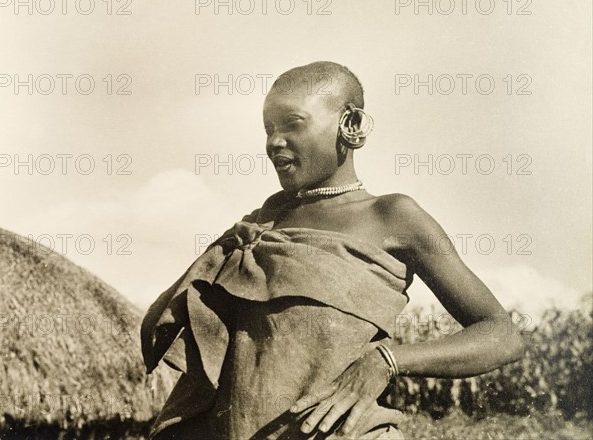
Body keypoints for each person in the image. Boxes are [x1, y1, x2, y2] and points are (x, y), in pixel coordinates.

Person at [140, 61, 524, 439]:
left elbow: (502, 334)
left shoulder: (392, 216)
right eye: (268, 129)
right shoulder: (260, 224)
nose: (275, 141)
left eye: (293, 123)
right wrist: (225, 255)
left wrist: (387, 361)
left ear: (351, 125)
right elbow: (176, 342)